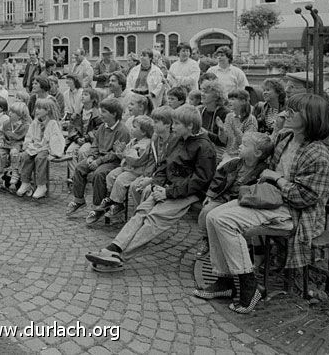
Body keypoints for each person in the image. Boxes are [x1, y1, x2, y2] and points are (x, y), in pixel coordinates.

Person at [196, 93, 329, 314]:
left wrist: (277, 179)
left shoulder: (318, 155)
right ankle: (225, 281)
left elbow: (304, 198)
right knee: (213, 216)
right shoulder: (286, 138)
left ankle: (249, 288)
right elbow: (262, 153)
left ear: (310, 118)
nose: (285, 113)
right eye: (287, 109)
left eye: (293, 111)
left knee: (224, 221)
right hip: (272, 200)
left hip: (297, 213)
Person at [85, 104, 216, 271]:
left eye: (176, 124)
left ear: (190, 126)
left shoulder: (204, 147)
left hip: (187, 193)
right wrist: (156, 185)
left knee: (155, 218)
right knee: (141, 212)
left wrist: (168, 192)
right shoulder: (177, 140)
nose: (172, 126)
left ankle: (120, 257)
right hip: (166, 188)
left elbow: (201, 180)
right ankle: (114, 248)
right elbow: (163, 166)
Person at [194, 131, 274, 257]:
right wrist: (210, 194)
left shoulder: (263, 170)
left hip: (240, 202)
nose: (240, 146)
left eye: (245, 145)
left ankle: (245, 249)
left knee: (237, 224)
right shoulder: (234, 163)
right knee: (206, 211)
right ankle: (206, 238)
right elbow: (218, 177)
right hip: (223, 196)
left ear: (257, 153)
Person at [66, 98, 131, 217]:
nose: (101, 115)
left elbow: (115, 153)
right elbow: (95, 144)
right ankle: (78, 199)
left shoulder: (122, 131)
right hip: (98, 157)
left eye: (104, 112)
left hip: (113, 161)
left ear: (114, 114)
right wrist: (91, 156)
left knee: (99, 174)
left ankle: (97, 207)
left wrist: (98, 161)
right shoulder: (102, 127)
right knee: (80, 167)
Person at [88, 115, 156, 225]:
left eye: (134, 127)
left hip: (135, 171)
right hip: (125, 167)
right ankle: (111, 199)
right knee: (110, 176)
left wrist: (123, 152)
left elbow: (135, 159)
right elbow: (125, 154)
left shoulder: (145, 144)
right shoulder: (134, 140)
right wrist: (119, 151)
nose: (132, 129)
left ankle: (118, 204)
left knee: (120, 180)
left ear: (143, 132)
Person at [16, 97, 66, 199]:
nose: (37, 111)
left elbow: (56, 139)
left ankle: (41, 185)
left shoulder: (53, 123)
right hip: (36, 147)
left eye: (40, 108)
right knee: (26, 156)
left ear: (47, 111)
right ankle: (25, 182)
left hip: (47, 148)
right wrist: (29, 144)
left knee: (40, 158)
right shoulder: (35, 122)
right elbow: (29, 136)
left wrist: (52, 151)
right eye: (36, 108)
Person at [0, 101, 31, 192]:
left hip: (17, 145)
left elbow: (26, 139)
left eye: (13, 112)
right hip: (7, 144)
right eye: (10, 111)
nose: (10, 114)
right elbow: (1, 133)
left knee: (14, 152)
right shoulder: (7, 123)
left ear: (20, 115)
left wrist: (23, 145)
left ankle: (15, 172)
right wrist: (1, 140)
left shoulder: (26, 126)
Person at [216, 89, 258, 163]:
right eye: (229, 99)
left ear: (243, 101)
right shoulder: (229, 116)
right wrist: (221, 129)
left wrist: (235, 128)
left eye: (233, 99)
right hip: (228, 155)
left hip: (242, 158)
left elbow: (247, 142)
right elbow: (224, 140)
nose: (229, 101)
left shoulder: (251, 119)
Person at [199, 80, 229, 160]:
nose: (202, 94)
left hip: (219, 152)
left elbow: (224, 142)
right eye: (202, 91)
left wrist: (206, 133)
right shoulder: (201, 110)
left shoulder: (225, 113)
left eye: (206, 92)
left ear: (216, 96)